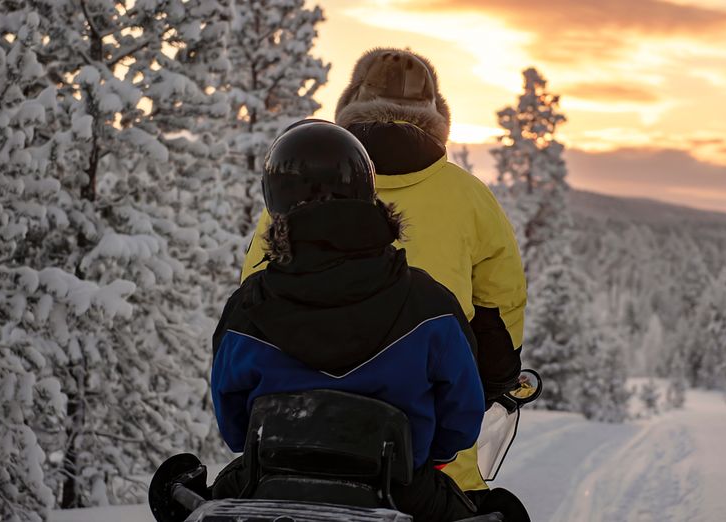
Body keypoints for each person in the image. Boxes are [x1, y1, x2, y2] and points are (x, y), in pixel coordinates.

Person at [241, 48, 527, 496]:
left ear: (352, 102)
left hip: (293, 441)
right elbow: (500, 304)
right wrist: (494, 380)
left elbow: (254, 295)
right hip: (427, 443)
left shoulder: (299, 192)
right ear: (436, 116)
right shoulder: (468, 197)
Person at [211, 120, 485, 521]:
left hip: (270, 486)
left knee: (191, 498)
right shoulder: (430, 305)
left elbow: (234, 427)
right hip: (402, 491)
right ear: (365, 191)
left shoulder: (247, 308)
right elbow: (461, 420)